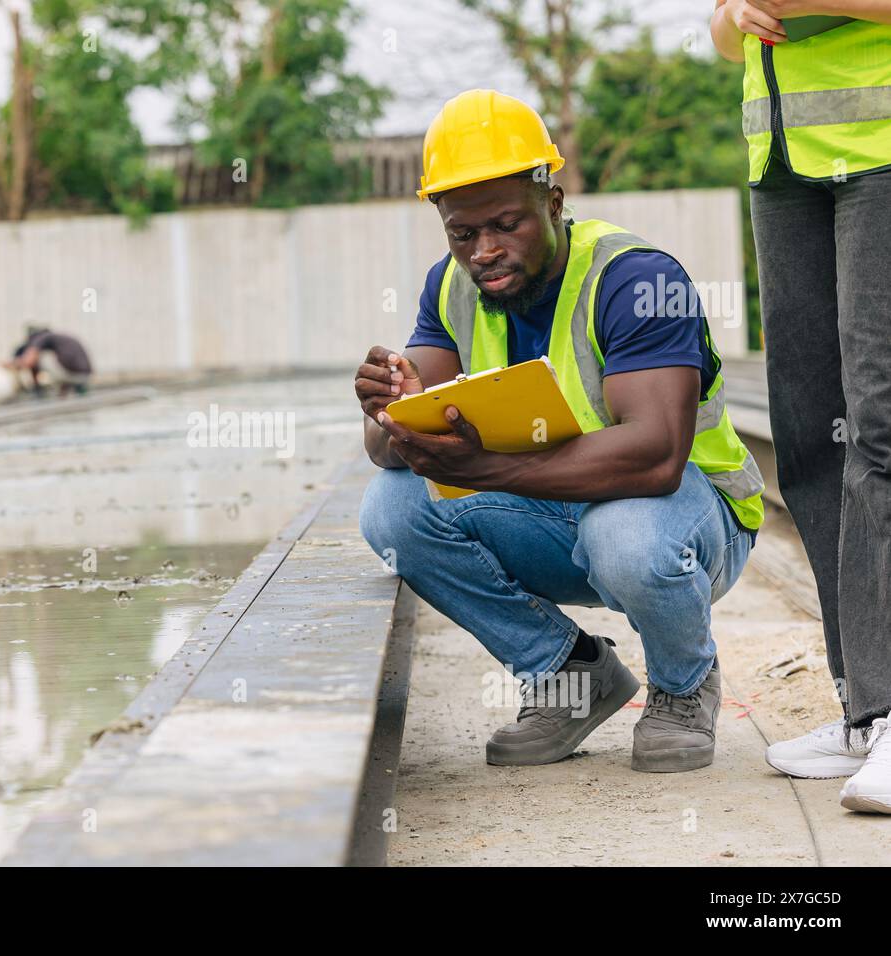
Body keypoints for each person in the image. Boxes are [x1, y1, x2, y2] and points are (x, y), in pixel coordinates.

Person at [356, 89, 765, 773]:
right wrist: (387, 410)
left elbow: (656, 459)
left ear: (552, 199)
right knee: (391, 512)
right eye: (463, 234)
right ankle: (571, 676)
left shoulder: (635, 279)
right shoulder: (450, 288)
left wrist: (485, 470)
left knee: (625, 534)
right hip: (559, 515)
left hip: (688, 522)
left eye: (505, 224)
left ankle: (683, 686)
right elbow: (393, 452)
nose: (484, 251)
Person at [712, 2, 891, 812]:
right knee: (810, 430)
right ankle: (861, 703)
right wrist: (735, 13)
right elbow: (724, 36)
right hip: (780, 167)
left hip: (880, 153)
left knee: (881, 425)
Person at [12, 326, 92, 397]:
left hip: (72, 374)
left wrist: (11, 365)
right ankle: (76, 387)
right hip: (86, 375)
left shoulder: (40, 338)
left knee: (39, 357)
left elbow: (28, 362)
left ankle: (38, 390)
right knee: (57, 356)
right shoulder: (58, 338)